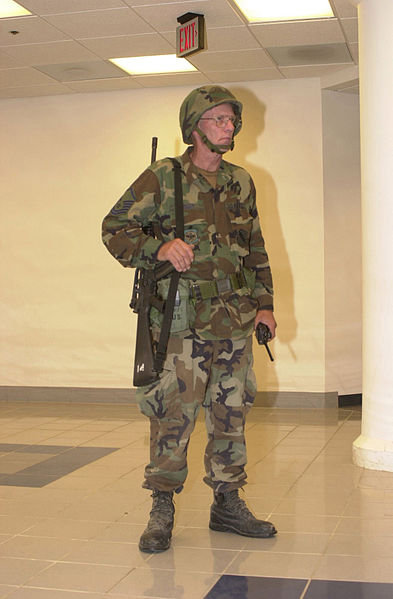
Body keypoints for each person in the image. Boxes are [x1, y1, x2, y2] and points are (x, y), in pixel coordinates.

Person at [102, 85, 277, 553]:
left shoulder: (242, 181)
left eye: (231, 120)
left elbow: (255, 247)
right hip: (180, 324)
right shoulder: (164, 178)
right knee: (172, 417)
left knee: (231, 413)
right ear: (194, 126)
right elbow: (114, 229)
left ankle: (227, 501)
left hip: (235, 321)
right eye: (219, 119)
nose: (229, 127)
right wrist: (157, 248)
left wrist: (265, 304)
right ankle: (162, 505)